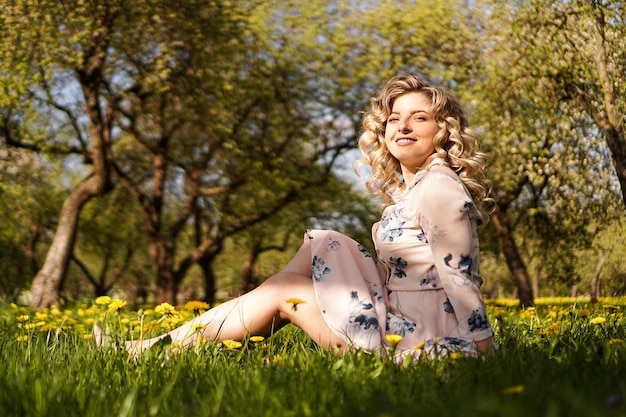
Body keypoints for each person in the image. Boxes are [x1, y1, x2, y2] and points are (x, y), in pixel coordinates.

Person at [95, 74, 495, 360]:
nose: (403, 126)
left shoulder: (439, 187)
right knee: (322, 243)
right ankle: (224, 336)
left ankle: (157, 350)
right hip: (397, 320)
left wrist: (487, 355)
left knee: (281, 289)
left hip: (421, 344)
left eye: (419, 117)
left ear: (443, 131)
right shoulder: (416, 187)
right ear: (384, 130)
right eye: (394, 118)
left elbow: (458, 278)